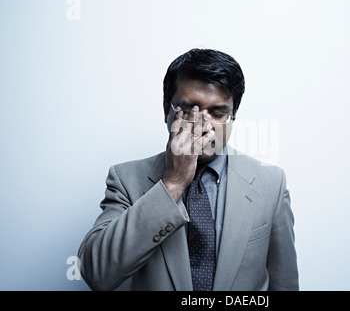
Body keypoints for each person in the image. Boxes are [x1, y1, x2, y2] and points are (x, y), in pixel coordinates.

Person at [78, 48, 299, 291]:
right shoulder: (126, 179)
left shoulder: (271, 183)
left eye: (217, 113)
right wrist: (172, 183)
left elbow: (285, 283)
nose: (203, 125)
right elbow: (96, 272)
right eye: (188, 109)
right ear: (166, 110)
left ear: (233, 116)